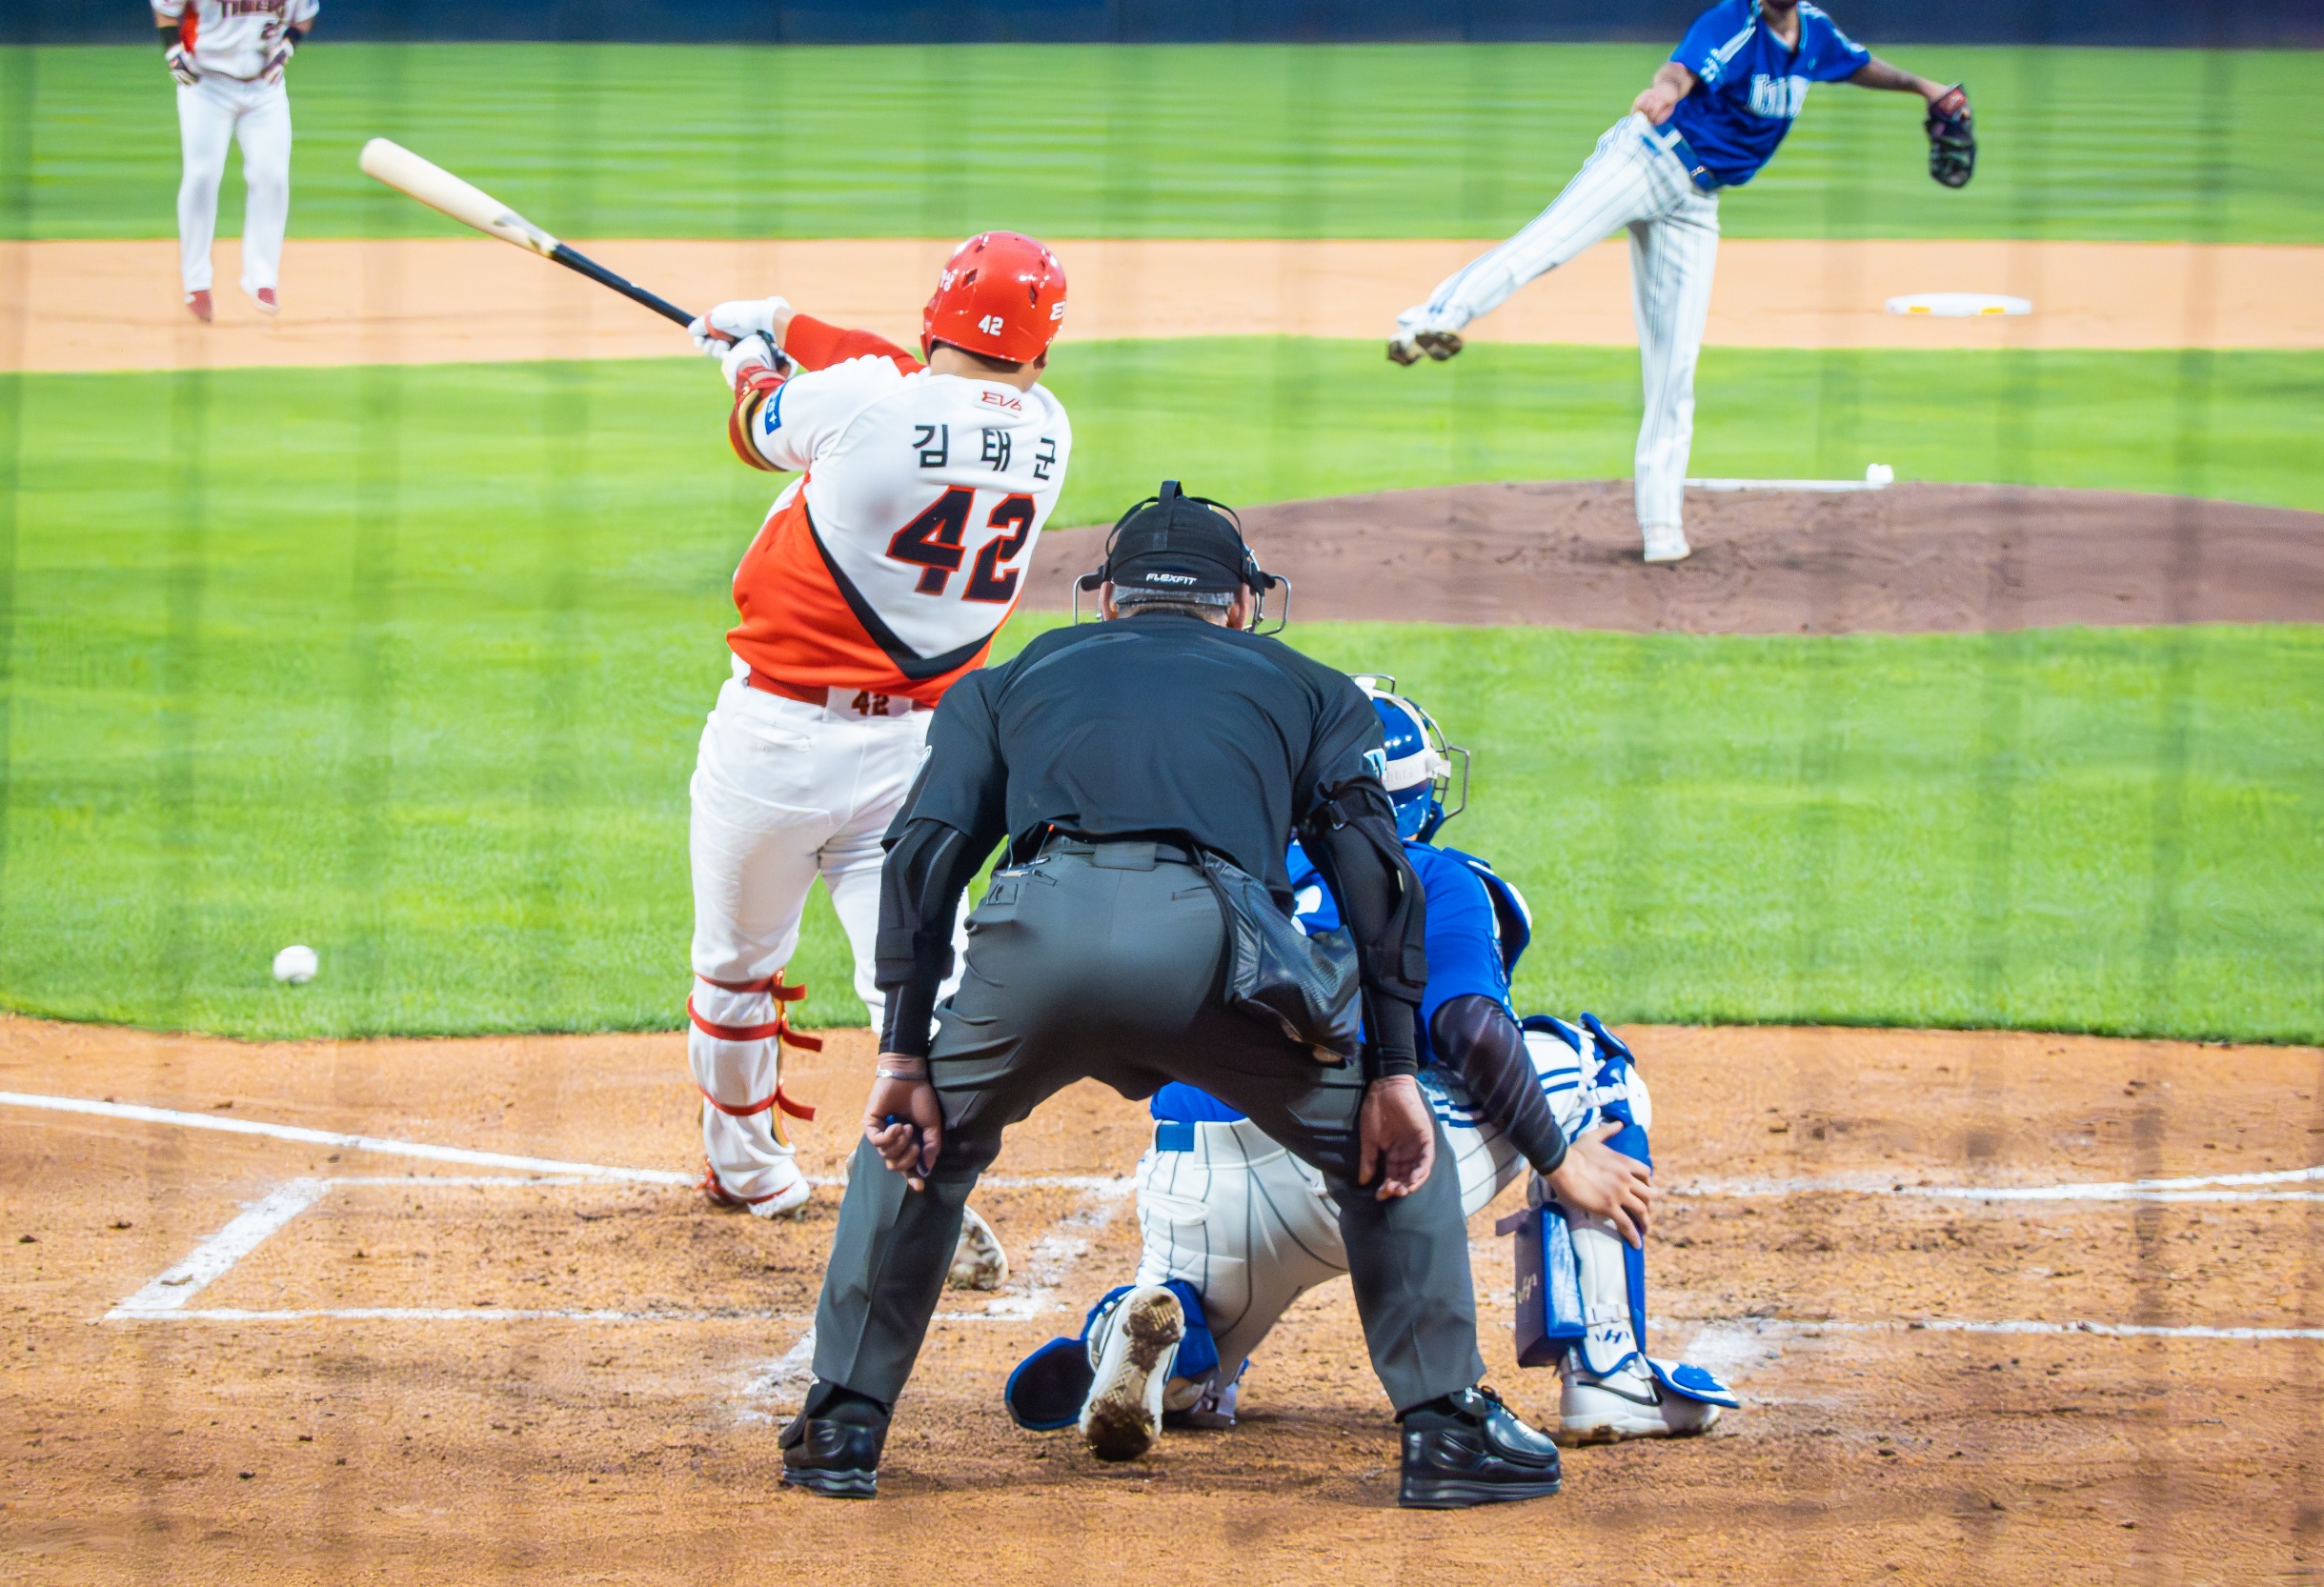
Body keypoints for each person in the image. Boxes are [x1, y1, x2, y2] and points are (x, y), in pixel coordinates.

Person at [781, 484, 1562, 1510]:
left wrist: (901, 1056)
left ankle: (840, 1426)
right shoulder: (1314, 688)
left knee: (917, 1149)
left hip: (1033, 946)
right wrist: (1393, 1077)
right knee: (1390, 1157)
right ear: (1240, 604)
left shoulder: (1003, 684)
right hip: (1215, 958)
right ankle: (1446, 1429)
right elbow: (1378, 881)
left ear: (1107, 598)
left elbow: (922, 858)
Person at [1003, 682, 1740, 1454]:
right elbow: (1472, 1031)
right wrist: (1560, 1160)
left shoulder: (1219, 870)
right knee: (1585, 1066)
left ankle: (1146, 1340)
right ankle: (1609, 1374)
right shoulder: (1432, 874)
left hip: (1187, 1182)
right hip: (1344, 1171)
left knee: (1195, 1365)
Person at [679, 233, 1072, 1221]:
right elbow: (911, 381)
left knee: (736, 969)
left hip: (774, 741)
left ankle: (751, 1173)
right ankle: (937, 1187)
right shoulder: (1048, 429)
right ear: (1042, 347)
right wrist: (785, 319)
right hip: (918, 759)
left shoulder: (862, 401)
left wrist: (749, 356)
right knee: (918, 978)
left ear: (934, 316)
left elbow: (756, 425)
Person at [1386, 0, 1971, 564]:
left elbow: (1859, 64)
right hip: (1644, 159)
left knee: (1675, 365)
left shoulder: (1815, 33)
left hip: (1695, 204)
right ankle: (1428, 321)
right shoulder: (1734, 22)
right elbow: (1680, 71)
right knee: (1547, 245)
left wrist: (1925, 87)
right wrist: (1664, 91)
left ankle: (1661, 527)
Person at [153, 0, 317, 321]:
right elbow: (165, 8)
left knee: (271, 176)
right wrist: (172, 50)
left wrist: (288, 46)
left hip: (265, 87)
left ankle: (262, 276)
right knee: (201, 176)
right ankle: (196, 282)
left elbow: (304, 17)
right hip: (206, 84)